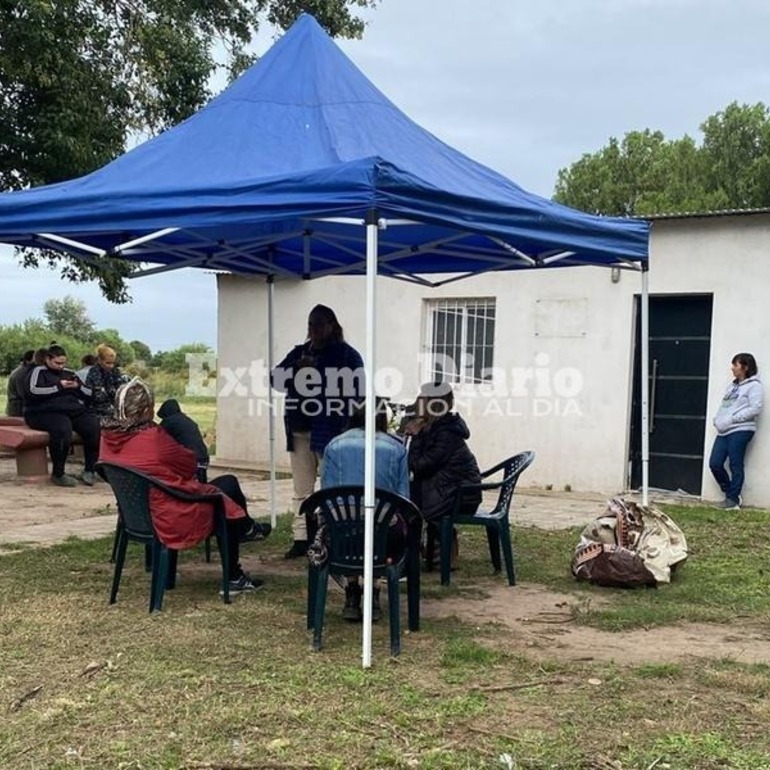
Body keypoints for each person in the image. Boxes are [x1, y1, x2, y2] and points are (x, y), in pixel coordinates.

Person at [99, 378, 271, 593]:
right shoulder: (153, 438)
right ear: (146, 410)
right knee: (226, 489)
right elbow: (189, 465)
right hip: (171, 515)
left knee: (226, 489)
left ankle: (246, 528)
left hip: (135, 516)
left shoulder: (107, 437)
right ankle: (237, 563)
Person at [272, 304, 364, 559]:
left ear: (332, 325)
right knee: (301, 490)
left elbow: (357, 392)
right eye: (311, 324)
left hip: (332, 432)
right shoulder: (299, 352)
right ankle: (301, 538)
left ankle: (330, 535)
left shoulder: (347, 355)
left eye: (320, 324)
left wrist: (318, 376)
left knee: (332, 488)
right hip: (300, 431)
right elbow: (274, 380)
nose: (314, 329)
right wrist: (296, 370)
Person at [321, 398, 409, 621]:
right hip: (384, 538)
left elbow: (327, 496)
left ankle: (352, 592)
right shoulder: (397, 448)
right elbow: (403, 499)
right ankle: (374, 591)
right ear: (383, 418)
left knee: (344, 522)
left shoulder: (333, 445)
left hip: (342, 537)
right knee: (390, 526)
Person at [404, 382, 482, 566]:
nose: (417, 402)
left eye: (421, 398)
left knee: (406, 503)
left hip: (460, 495)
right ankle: (421, 550)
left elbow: (419, 466)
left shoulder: (446, 432)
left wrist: (414, 436)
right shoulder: (438, 427)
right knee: (407, 494)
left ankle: (411, 555)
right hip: (447, 488)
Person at [23, 343, 101, 487]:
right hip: (42, 412)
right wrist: (59, 386)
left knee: (93, 427)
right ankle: (58, 473)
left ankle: (90, 469)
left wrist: (78, 387)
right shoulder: (38, 371)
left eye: (63, 363)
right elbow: (33, 391)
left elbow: (90, 394)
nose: (61, 366)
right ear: (47, 359)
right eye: (57, 363)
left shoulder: (70, 373)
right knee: (62, 429)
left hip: (72, 409)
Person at [709, 352, 763, 510]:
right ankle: (731, 492)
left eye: (735, 365)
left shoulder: (754, 387)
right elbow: (725, 406)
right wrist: (717, 419)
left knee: (735, 464)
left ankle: (732, 500)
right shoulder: (731, 387)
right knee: (715, 463)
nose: (732, 368)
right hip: (724, 430)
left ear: (745, 367)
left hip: (741, 430)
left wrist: (732, 419)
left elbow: (755, 408)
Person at [157, 398, 210, 482]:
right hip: (203, 457)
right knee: (202, 485)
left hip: (191, 459)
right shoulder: (186, 420)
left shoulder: (169, 421)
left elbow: (158, 437)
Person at [85, 344, 129, 421]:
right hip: (97, 410)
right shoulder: (94, 372)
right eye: (108, 363)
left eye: (113, 363)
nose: (111, 366)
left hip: (114, 407)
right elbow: (98, 397)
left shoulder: (114, 371)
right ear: (99, 360)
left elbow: (121, 387)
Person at [5, 350, 34, 417]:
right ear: (27, 361)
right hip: (17, 410)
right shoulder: (20, 373)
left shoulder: (23, 371)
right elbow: (23, 393)